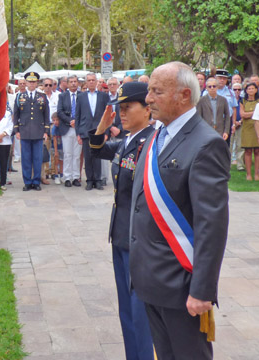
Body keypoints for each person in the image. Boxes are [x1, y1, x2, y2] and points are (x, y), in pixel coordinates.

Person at [130, 61, 230, 359]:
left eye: (156, 92)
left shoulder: (206, 144)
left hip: (182, 286)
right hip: (151, 279)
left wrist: (202, 289)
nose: (148, 99)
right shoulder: (155, 136)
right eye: (149, 91)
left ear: (184, 95)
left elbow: (211, 224)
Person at [89, 81, 155, 360]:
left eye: (128, 107)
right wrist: (103, 124)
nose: (123, 113)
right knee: (126, 309)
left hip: (139, 239)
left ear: (148, 108)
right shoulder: (129, 140)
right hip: (121, 234)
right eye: (120, 108)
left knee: (140, 313)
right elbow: (97, 148)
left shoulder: (152, 141)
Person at [13, 72, 50, 191]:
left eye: (34, 82)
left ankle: (36, 181)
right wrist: (17, 130)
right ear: (26, 83)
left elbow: (46, 115)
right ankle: (27, 182)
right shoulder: (20, 96)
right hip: (24, 131)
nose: (32, 84)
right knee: (26, 158)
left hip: (38, 132)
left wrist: (46, 131)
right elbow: (16, 114)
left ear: (37, 83)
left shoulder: (42, 96)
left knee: (37, 158)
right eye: (30, 82)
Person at [75, 72, 110, 190]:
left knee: (98, 156)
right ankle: (89, 180)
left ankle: (98, 180)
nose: (91, 82)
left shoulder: (103, 96)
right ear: (86, 82)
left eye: (93, 80)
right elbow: (78, 116)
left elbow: (107, 115)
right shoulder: (81, 96)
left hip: (99, 130)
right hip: (85, 130)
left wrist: (106, 132)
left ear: (96, 82)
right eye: (89, 80)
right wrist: (78, 133)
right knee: (88, 156)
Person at [56, 75, 82, 187]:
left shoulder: (82, 95)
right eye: (71, 82)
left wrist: (77, 121)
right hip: (67, 128)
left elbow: (84, 111)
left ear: (78, 83)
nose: (73, 84)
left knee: (77, 154)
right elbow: (59, 111)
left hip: (79, 129)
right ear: (67, 83)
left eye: (75, 82)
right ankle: (67, 177)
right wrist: (70, 120)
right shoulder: (62, 96)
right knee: (67, 154)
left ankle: (76, 176)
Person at [239, 82, 259, 180]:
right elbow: (243, 114)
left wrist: (249, 114)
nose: (251, 90)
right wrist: (255, 113)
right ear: (246, 91)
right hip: (247, 128)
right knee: (247, 151)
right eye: (249, 89)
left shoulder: (258, 101)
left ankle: (256, 174)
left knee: (257, 151)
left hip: (257, 128)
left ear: (256, 90)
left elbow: (247, 114)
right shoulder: (243, 101)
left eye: (253, 88)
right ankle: (248, 174)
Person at [231, 82, 245, 171]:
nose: (237, 91)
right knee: (229, 144)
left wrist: (240, 121)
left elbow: (245, 112)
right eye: (234, 89)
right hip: (231, 124)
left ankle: (240, 165)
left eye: (239, 89)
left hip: (241, 124)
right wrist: (234, 122)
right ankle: (227, 164)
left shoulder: (243, 100)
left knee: (240, 145)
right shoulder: (229, 99)